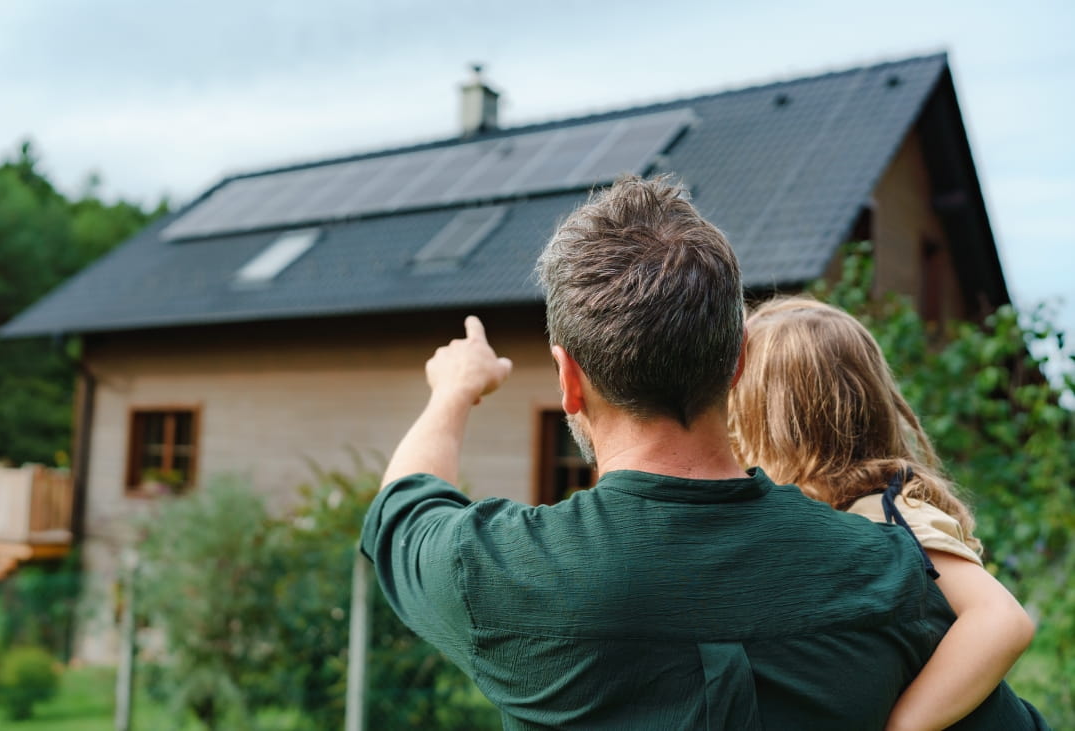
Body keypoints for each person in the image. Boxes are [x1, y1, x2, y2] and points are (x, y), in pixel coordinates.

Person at [360, 175, 1041, 729]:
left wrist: (454, 390)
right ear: (738, 359)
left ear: (569, 380)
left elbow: (404, 503)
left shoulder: (498, 570)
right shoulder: (888, 572)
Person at [728, 296, 1048, 730]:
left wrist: (902, 726)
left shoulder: (888, 513)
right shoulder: (829, 515)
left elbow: (1001, 620)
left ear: (768, 420)